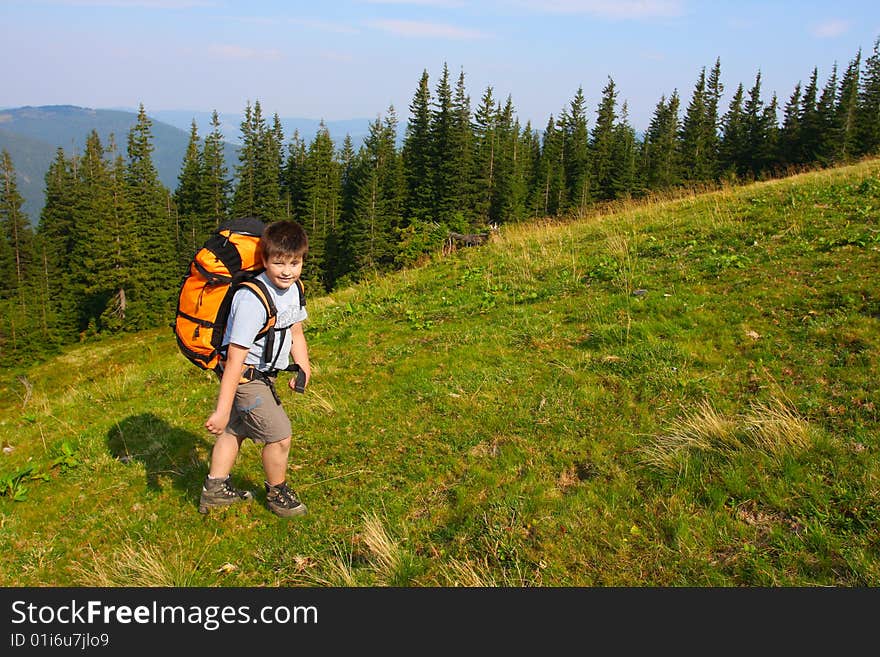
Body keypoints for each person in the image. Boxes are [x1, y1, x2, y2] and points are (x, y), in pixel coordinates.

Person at [199, 220, 311, 518]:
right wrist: (221, 410)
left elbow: (295, 331)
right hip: (247, 378)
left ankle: (215, 489)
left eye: (294, 263)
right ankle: (277, 493)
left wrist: (303, 366)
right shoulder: (252, 299)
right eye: (278, 262)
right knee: (280, 436)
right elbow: (235, 358)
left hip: (262, 374)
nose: (287, 271)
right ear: (264, 260)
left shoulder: (294, 289)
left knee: (235, 430)